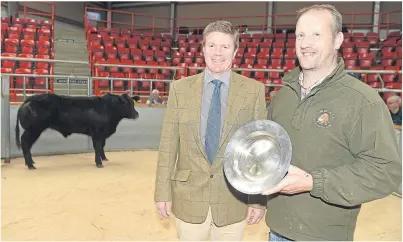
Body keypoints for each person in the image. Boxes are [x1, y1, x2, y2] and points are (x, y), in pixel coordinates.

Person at [263, 4, 402, 241]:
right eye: (300, 35)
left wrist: (314, 182)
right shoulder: (283, 94)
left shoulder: (362, 101)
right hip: (277, 230)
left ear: (338, 40)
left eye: (316, 34)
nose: (305, 43)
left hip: (325, 236)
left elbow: (385, 172)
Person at [154, 20, 267, 241]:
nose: (218, 52)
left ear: (235, 51)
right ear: (203, 48)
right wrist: (162, 192)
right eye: (212, 45)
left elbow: (258, 152)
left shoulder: (253, 91)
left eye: (225, 47)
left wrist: (257, 199)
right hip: (188, 199)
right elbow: (168, 146)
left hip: (233, 202)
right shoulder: (180, 89)